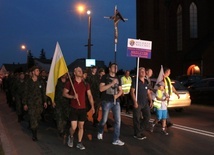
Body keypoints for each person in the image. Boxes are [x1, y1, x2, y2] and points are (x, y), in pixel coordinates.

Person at [63, 67, 95, 150]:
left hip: (82, 108)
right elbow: (64, 93)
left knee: (81, 126)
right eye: (79, 71)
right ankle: (71, 136)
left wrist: (92, 106)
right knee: (73, 127)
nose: (81, 72)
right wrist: (72, 96)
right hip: (73, 108)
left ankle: (79, 143)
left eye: (81, 70)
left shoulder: (85, 84)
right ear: (74, 72)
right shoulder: (70, 83)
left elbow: (89, 95)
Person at [97, 63, 125, 146]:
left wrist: (117, 95)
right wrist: (112, 83)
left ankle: (116, 139)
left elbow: (121, 90)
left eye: (116, 67)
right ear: (109, 69)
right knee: (104, 120)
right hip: (106, 100)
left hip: (116, 101)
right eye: (114, 67)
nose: (115, 68)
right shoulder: (105, 77)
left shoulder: (118, 78)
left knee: (118, 120)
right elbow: (101, 89)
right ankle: (100, 130)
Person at [23, 66, 48, 141]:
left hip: (39, 104)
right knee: (33, 118)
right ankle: (34, 135)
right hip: (31, 104)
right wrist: (25, 103)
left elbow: (43, 92)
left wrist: (45, 101)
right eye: (37, 70)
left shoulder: (40, 81)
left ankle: (33, 127)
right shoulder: (28, 81)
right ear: (33, 72)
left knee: (37, 118)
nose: (38, 72)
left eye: (38, 71)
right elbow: (25, 93)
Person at [130, 67, 153, 140]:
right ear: (138, 73)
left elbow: (148, 92)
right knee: (136, 118)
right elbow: (132, 92)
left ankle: (140, 130)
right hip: (138, 103)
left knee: (148, 116)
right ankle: (137, 134)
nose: (142, 72)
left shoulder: (146, 81)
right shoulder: (136, 81)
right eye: (141, 71)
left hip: (145, 103)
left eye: (143, 71)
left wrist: (151, 101)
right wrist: (135, 102)